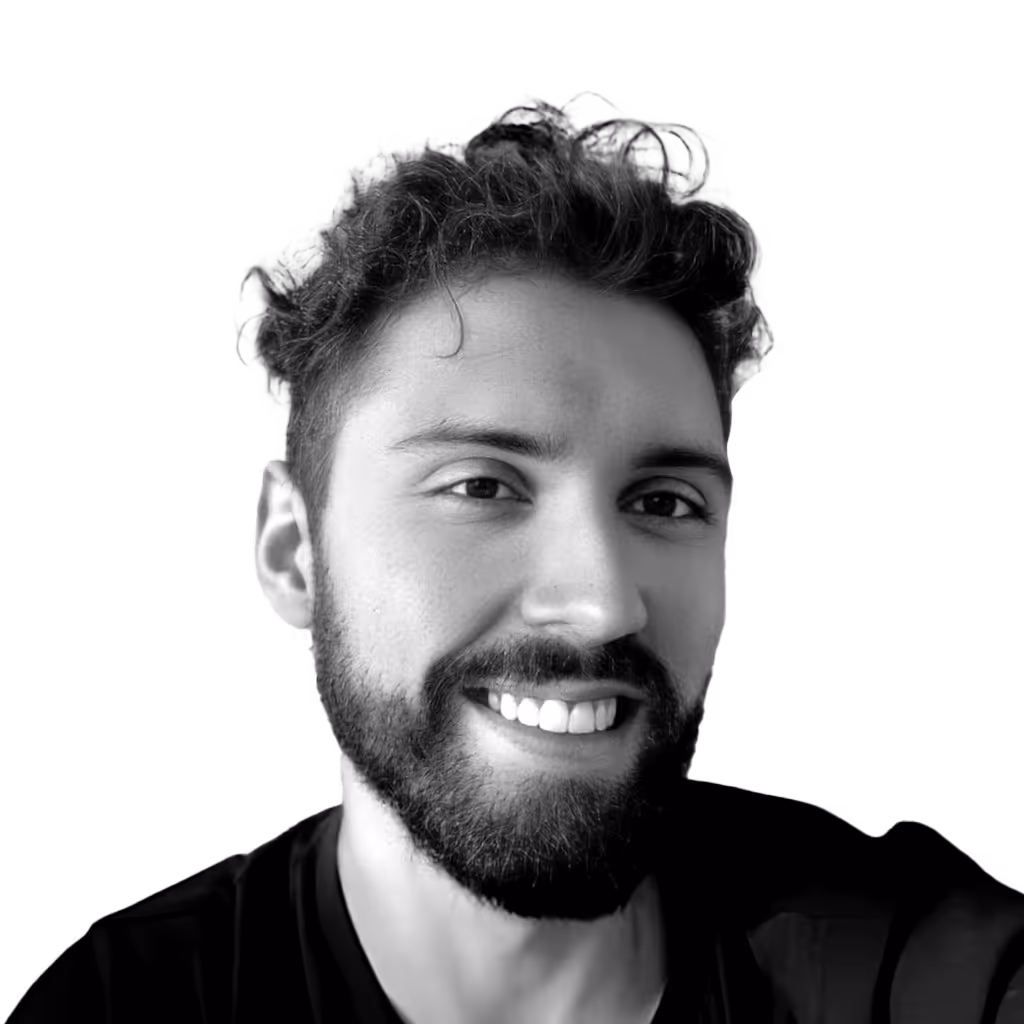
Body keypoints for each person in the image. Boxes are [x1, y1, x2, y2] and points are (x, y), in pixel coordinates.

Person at [7, 87, 1022, 1024]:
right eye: (481, 487)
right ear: (291, 547)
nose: (600, 602)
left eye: (665, 501)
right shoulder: (124, 1004)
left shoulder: (911, 968)